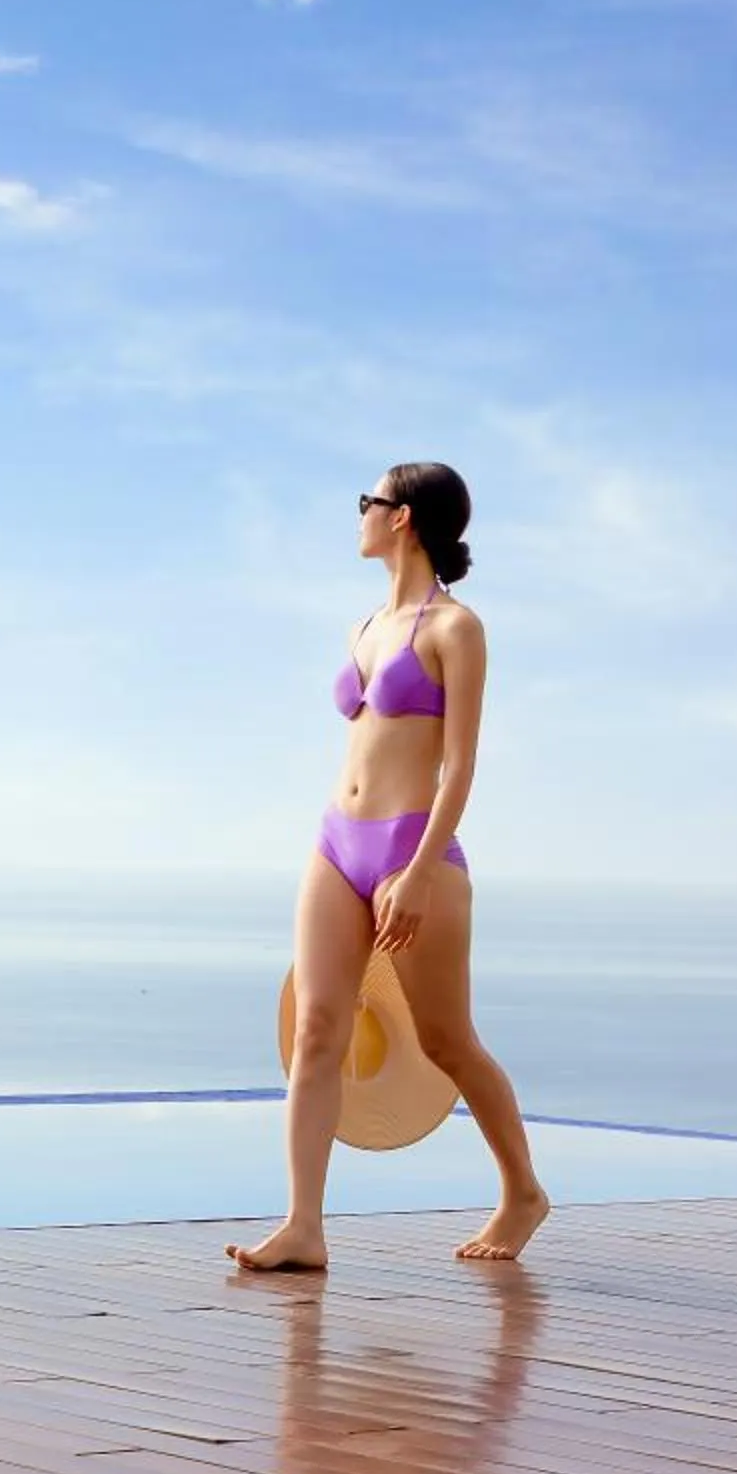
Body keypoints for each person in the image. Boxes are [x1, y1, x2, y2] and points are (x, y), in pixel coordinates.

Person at [228, 462, 548, 1271]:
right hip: (338, 842)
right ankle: (304, 1225)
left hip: (417, 850)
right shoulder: (363, 626)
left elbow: (461, 768)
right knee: (316, 1027)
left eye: (367, 502)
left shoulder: (456, 629)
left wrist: (417, 869)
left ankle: (523, 1193)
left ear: (402, 518)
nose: (360, 515)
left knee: (446, 1040)